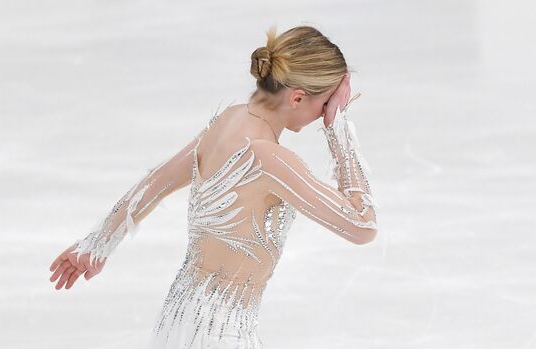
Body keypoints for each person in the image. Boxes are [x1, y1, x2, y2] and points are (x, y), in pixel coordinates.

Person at [48, 24, 378, 348]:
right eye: (324, 106)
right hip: (222, 335)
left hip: (177, 321)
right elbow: (361, 225)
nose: (323, 116)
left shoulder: (227, 121)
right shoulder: (268, 158)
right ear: (297, 97)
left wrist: (97, 244)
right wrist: (340, 130)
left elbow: (154, 183)